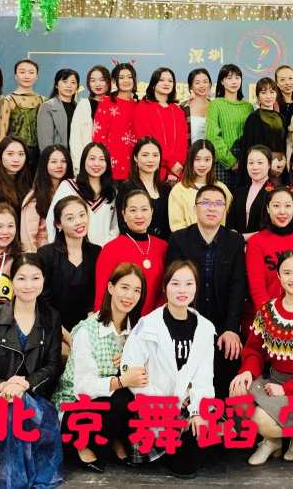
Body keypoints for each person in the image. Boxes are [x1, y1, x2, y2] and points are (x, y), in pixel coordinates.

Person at [0, 253, 63, 488]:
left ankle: (13, 477)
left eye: (35, 278)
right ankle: (5, 479)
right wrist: (3, 386)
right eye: (21, 278)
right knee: (7, 411)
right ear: (11, 281)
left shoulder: (51, 318)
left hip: (34, 397)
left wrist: (25, 384)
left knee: (19, 409)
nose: (29, 285)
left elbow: (53, 365)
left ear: (44, 280)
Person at [231, 251, 293, 465]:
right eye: (287, 273)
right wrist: (247, 371)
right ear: (278, 276)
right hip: (273, 382)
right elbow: (254, 350)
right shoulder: (267, 311)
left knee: (260, 418)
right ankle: (275, 441)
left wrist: (287, 389)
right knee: (238, 397)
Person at [122, 260, 217, 478]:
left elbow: (204, 377)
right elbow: (132, 370)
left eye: (188, 284)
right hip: (154, 406)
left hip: (186, 405)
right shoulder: (147, 325)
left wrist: (196, 412)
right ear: (165, 287)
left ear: (196, 287)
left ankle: (179, 444)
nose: (182, 290)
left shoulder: (204, 328)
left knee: (188, 465)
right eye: (175, 284)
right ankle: (162, 448)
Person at [52, 262, 145, 472]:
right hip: (76, 404)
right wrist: (122, 380)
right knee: (120, 400)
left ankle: (111, 439)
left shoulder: (137, 331)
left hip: (109, 402)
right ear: (111, 287)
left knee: (132, 400)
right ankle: (81, 444)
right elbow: (83, 388)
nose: (129, 296)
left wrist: (130, 362)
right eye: (124, 287)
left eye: (136, 290)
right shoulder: (88, 330)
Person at [167, 184, 247, 398]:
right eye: (206, 203)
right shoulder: (179, 239)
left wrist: (232, 328)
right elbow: (174, 287)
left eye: (218, 204)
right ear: (195, 208)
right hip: (188, 321)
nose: (212, 208)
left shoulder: (234, 241)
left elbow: (238, 286)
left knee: (229, 357)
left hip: (222, 323)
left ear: (224, 210)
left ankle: (221, 412)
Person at [95, 189, 168, 316]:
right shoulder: (110, 249)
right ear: (123, 214)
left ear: (152, 212)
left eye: (144, 209)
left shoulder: (163, 247)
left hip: (155, 321)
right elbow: (102, 296)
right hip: (122, 321)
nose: (139, 215)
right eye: (133, 210)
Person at [246, 187, 293, 309]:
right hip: (267, 313)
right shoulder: (256, 242)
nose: (282, 212)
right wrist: (272, 316)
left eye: (288, 206)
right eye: (276, 206)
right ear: (268, 209)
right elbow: (257, 290)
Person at [39, 195, 101, 334]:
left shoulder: (96, 252)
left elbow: (95, 299)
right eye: (70, 218)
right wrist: (65, 337)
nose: (78, 222)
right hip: (52, 329)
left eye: (82, 215)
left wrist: (86, 334)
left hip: (87, 330)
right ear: (58, 224)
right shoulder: (46, 254)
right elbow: (43, 301)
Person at [46, 142, 118, 246]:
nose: (96, 164)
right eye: (92, 158)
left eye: (102, 159)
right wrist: (56, 247)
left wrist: (107, 246)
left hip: (104, 250)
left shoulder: (112, 190)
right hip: (72, 250)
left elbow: (115, 226)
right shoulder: (68, 186)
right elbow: (51, 219)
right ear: (84, 161)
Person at [135, 67, 189, 184]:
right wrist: (171, 163)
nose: (166, 83)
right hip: (151, 167)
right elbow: (146, 140)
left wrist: (177, 166)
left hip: (176, 172)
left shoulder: (178, 111)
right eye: (161, 80)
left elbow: (182, 142)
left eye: (170, 81)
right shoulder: (143, 107)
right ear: (154, 84)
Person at [168, 139, 232, 232]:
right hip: (187, 240)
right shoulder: (178, 190)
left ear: (213, 161)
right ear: (190, 160)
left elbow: (229, 222)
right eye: (197, 159)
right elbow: (177, 226)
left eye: (207, 160)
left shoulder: (222, 188)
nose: (202, 164)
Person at [206, 64, 253, 188]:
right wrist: (231, 162)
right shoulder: (215, 104)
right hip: (222, 162)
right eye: (229, 78)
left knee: (242, 198)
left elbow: (252, 135)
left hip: (245, 161)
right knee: (221, 197)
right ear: (222, 81)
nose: (234, 81)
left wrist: (244, 161)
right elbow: (212, 136)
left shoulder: (248, 107)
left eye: (237, 77)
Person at [116, 136, 171, 239]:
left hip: (164, 244)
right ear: (135, 158)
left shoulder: (166, 189)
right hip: (137, 244)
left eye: (155, 155)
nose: (150, 160)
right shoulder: (127, 187)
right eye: (145, 155)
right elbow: (123, 224)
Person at [20, 144, 72, 252]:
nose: (59, 165)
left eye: (63, 161)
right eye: (54, 162)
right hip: (43, 253)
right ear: (45, 164)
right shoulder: (34, 197)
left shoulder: (72, 191)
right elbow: (28, 238)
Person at [92, 62, 138, 180]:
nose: (126, 81)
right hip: (111, 165)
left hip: (135, 165)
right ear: (114, 81)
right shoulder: (106, 102)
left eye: (129, 77)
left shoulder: (139, 105)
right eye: (121, 77)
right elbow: (99, 136)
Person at [0, 59, 45, 168]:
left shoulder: (43, 100)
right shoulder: (9, 100)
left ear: (36, 76)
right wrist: (1, 156)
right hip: (15, 153)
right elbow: (2, 131)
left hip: (38, 153)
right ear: (15, 76)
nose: (27, 76)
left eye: (31, 72)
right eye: (22, 72)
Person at [70, 65, 111, 174]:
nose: (97, 84)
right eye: (93, 80)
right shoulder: (83, 105)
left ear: (109, 81)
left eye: (102, 80)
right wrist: (79, 166)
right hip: (88, 163)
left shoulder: (115, 105)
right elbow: (75, 139)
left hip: (112, 163)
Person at [229, 145, 274, 240]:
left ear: (269, 165)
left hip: (263, 244)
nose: (255, 167)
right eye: (251, 163)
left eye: (260, 163)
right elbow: (230, 221)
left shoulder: (276, 192)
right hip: (237, 245)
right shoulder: (239, 192)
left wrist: (242, 238)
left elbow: (272, 227)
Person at [241, 77, 286, 171]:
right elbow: (249, 148)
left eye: (272, 92)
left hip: (280, 166)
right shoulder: (253, 118)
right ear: (257, 96)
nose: (268, 96)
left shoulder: (281, 117)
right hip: (260, 167)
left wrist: (283, 161)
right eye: (263, 92)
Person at [37, 68, 79, 152]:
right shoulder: (47, 107)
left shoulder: (79, 108)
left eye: (73, 82)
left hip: (76, 157)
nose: (69, 86)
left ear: (77, 87)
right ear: (56, 85)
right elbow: (45, 143)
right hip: (57, 156)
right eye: (65, 81)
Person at [182, 68, 212, 144]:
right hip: (190, 150)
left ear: (210, 84)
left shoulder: (216, 106)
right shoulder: (183, 108)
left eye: (205, 82)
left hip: (212, 151)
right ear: (191, 87)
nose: (202, 86)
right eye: (197, 83)